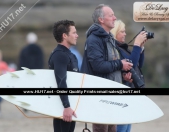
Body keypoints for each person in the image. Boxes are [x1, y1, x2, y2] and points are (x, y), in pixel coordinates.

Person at [80, 4, 146, 132]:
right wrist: (121, 64)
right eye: (111, 15)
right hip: (100, 97)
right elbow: (98, 66)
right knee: (101, 129)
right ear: (101, 19)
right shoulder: (94, 39)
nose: (115, 18)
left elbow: (109, 66)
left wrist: (121, 75)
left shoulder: (109, 39)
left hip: (112, 95)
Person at [110, 20, 147, 132]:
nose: (125, 34)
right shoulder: (114, 49)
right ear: (114, 32)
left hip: (129, 90)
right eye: (122, 31)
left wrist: (140, 48)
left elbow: (139, 65)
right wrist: (136, 45)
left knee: (127, 127)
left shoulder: (123, 48)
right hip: (121, 94)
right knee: (122, 126)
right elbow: (131, 64)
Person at [48, 20, 78, 132]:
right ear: (65, 36)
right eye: (74, 32)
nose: (77, 35)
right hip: (62, 106)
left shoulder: (70, 55)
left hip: (70, 104)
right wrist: (66, 106)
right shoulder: (59, 55)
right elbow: (61, 81)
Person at [0, 48, 9, 117]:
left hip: (1, 84)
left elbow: (8, 72)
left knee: (0, 98)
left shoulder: (3, 64)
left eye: (0, 56)